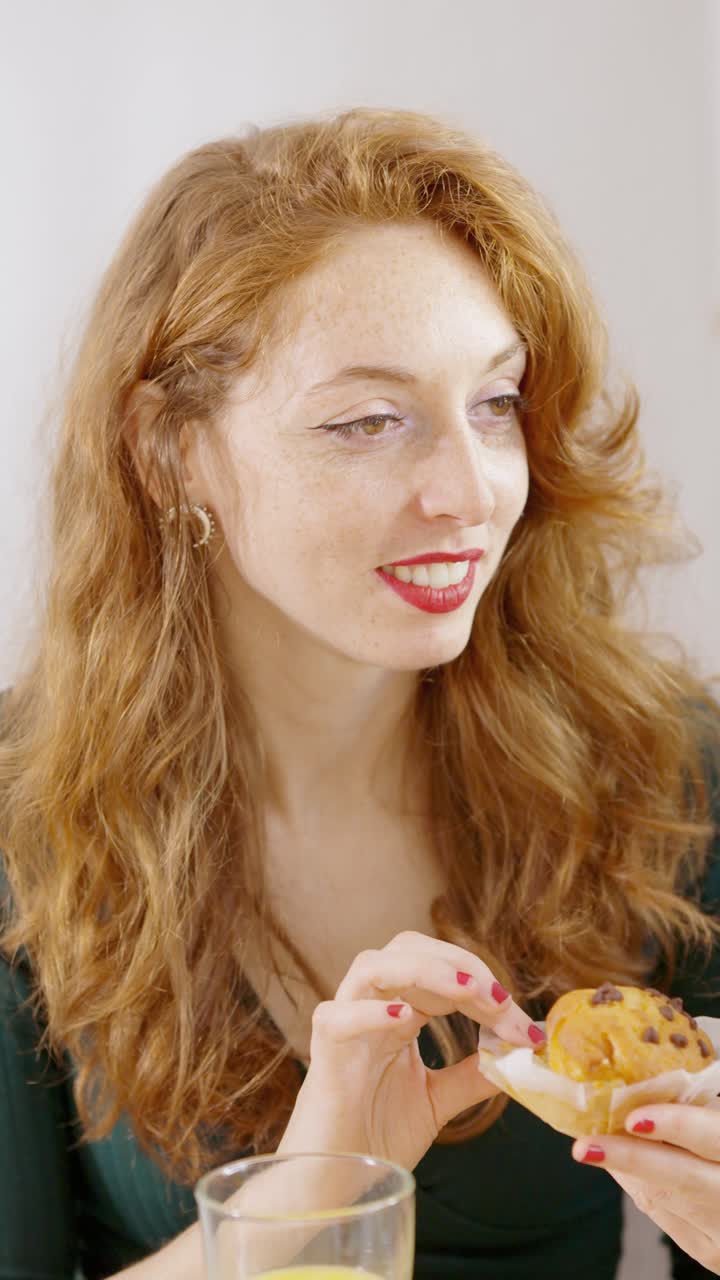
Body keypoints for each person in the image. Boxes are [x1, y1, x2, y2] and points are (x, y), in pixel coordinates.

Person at [1, 105, 719, 1280]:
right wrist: (306, 1191)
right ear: (167, 449)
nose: (471, 488)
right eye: (369, 420)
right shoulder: (17, 816)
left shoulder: (671, 762)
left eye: (494, 404)